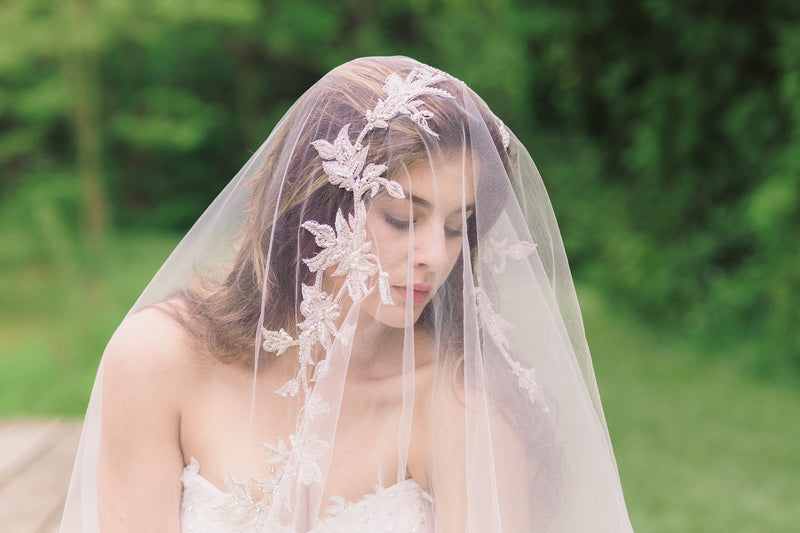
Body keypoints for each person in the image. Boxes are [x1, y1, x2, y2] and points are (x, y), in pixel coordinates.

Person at [60, 56, 634, 532]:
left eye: (457, 227)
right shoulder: (158, 359)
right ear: (313, 207)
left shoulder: (460, 403)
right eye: (403, 219)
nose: (435, 255)